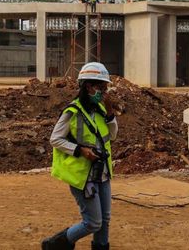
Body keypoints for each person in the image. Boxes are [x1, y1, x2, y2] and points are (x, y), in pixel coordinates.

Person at [43, 62, 117, 250]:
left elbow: (113, 135)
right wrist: (80, 150)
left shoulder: (100, 110)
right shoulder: (73, 112)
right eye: (100, 87)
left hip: (102, 173)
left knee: (105, 219)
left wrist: (110, 112)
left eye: (105, 88)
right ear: (87, 86)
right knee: (93, 222)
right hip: (83, 176)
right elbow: (55, 139)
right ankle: (57, 244)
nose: (104, 92)